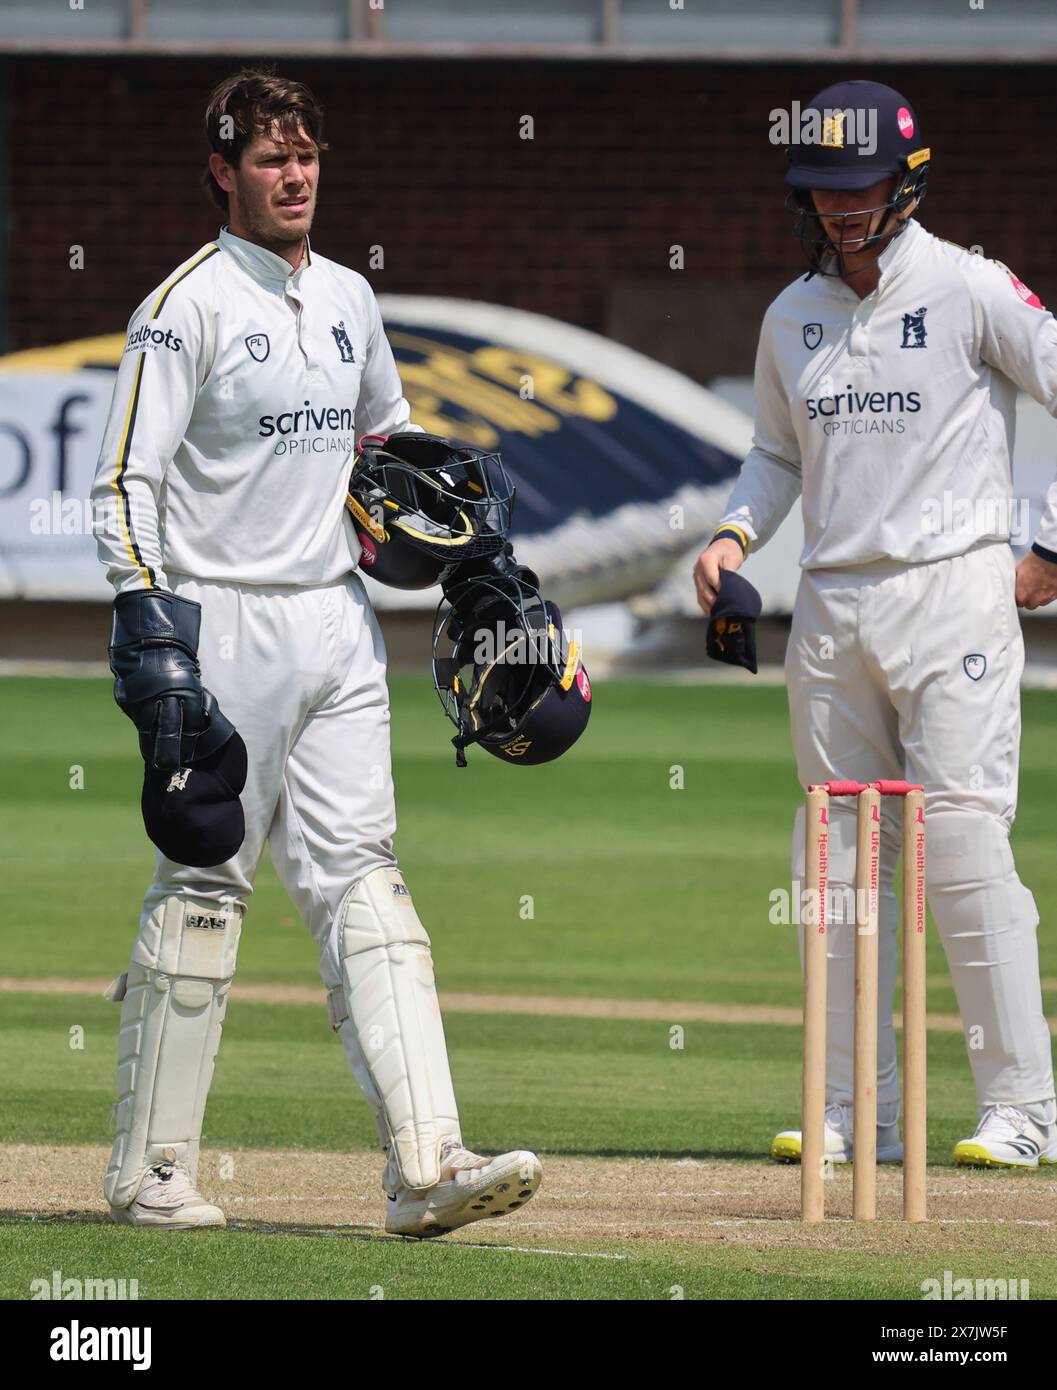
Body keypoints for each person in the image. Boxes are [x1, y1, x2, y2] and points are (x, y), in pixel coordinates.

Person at [90, 68, 541, 1235]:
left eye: (306, 157)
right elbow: (125, 482)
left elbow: (388, 449)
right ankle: (151, 1172)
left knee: (367, 883)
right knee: (204, 884)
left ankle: (426, 1162)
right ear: (223, 173)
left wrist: (467, 546)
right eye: (268, 160)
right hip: (222, 616)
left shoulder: (347, 295)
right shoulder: (179, 308)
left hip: (336, 623)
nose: (293, 176)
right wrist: (150, 623)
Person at [694, 79, 1057, 1170]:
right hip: (830, 603)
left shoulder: (967, 287)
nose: (842, 210)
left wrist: (1049, 542)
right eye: (822, 190)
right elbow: (773, 455)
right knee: (839, 863)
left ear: (905, 182)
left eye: (860, 188)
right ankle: (856, 1110)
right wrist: (730, 535)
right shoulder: (790, 315)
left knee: (959, 845)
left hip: (953, 592)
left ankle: (1022, 1110)